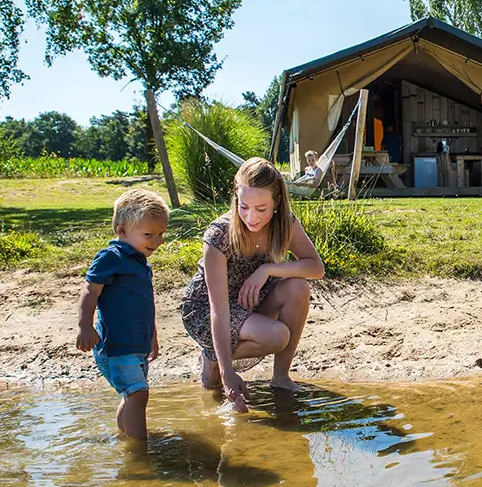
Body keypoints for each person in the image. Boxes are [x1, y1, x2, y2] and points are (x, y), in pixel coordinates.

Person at [181, 157, 325, 411]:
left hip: (251, 302)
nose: (251, 217)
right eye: (244, 206)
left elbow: (316, 267)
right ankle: (212, 354)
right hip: (206, 310)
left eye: (261, 209)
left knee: (298, 287)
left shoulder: (285, 223)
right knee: (277, 335)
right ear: (236, 197)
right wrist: (227, 373)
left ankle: (281, 377)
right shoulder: (218, 236)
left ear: (277, 201)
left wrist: (268, 269)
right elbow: (219, 309)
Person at [76, 189, 169, 442]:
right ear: (122, 231)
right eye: (148, 234)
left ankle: (125, 438)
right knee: (138, 395)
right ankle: (139, 453)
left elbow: (144, 305)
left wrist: (152, 337)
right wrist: (85, 326)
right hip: (116, 347)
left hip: (137, 344)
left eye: (161, 233)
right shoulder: (111, 257)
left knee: (132, 395)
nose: (156, 241)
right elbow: (90, 291)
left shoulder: (140, 263)